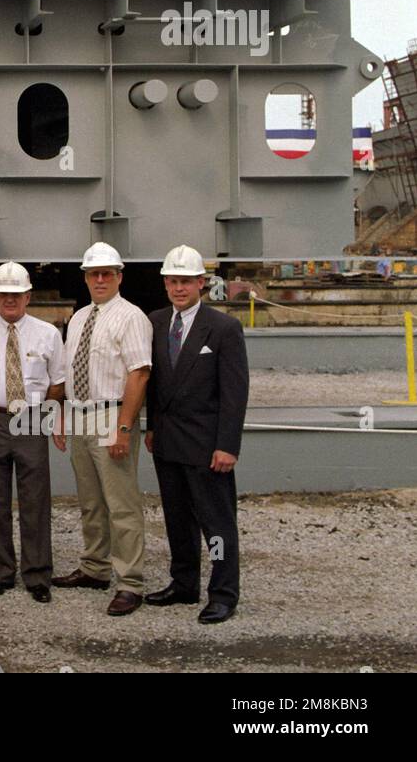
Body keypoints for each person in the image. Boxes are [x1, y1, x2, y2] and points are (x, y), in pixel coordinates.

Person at [145, 245, 249, 624]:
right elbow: (154, 384)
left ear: (201, 283)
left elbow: (235, 393)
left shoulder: (223, 328)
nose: (178, 288)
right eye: (172, 281)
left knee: (217, 524)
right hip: (168, 442)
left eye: (185, 281)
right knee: (176, 519)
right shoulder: (155, 322)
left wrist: (227, 445)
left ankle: (223, 592)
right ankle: (183, 582)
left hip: (207, 447)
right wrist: (153, 426)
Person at [51, 242, 153, 616]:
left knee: (121, 505)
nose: (99, 279)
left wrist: (124, 428)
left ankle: (130, 582)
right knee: (91, 501)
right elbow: (67, 373)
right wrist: (61, 413)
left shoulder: (131, 318)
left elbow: (139, 373)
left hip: (111, 415)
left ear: (118, 276)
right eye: (93, 273)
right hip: (80, 415)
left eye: (106, 273)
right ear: (85, 277)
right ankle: (95, 567)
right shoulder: (79, 318)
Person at [0, 261, 65, 602]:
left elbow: (57, 383)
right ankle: (1, 573)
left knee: (35, 499)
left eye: (16, 294)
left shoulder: (48, 333)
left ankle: (36, 575)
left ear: (28, 295)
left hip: (31, 419)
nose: (10, 300)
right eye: (3, 294)